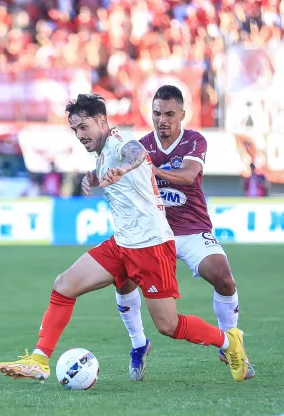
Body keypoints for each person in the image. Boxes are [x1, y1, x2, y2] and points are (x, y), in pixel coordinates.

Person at [0, 93, 250, 383]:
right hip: (122, 245)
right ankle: (39, 359)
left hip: (152, 247)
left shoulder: (121, 142)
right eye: (75, 130)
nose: (79, 135)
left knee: (168, 324)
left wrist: (126, 167)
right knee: (64, 285)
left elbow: (137, 153)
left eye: (83, 127)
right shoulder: (104, 153)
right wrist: (92, 176)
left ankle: (229, 343)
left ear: (102, 121)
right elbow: (110, 164)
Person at [103, 85, 255, 382]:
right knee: (123, 282)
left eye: (170, 114)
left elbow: (187, 176)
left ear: (182, 115)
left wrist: (150, 170)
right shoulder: (140, 146)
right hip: (151, 233)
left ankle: (230, 342)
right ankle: (138, 345)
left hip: (190, 229)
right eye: (157, 113)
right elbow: (115, 171)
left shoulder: (194, 141)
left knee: (223, 276)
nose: (163, 120)